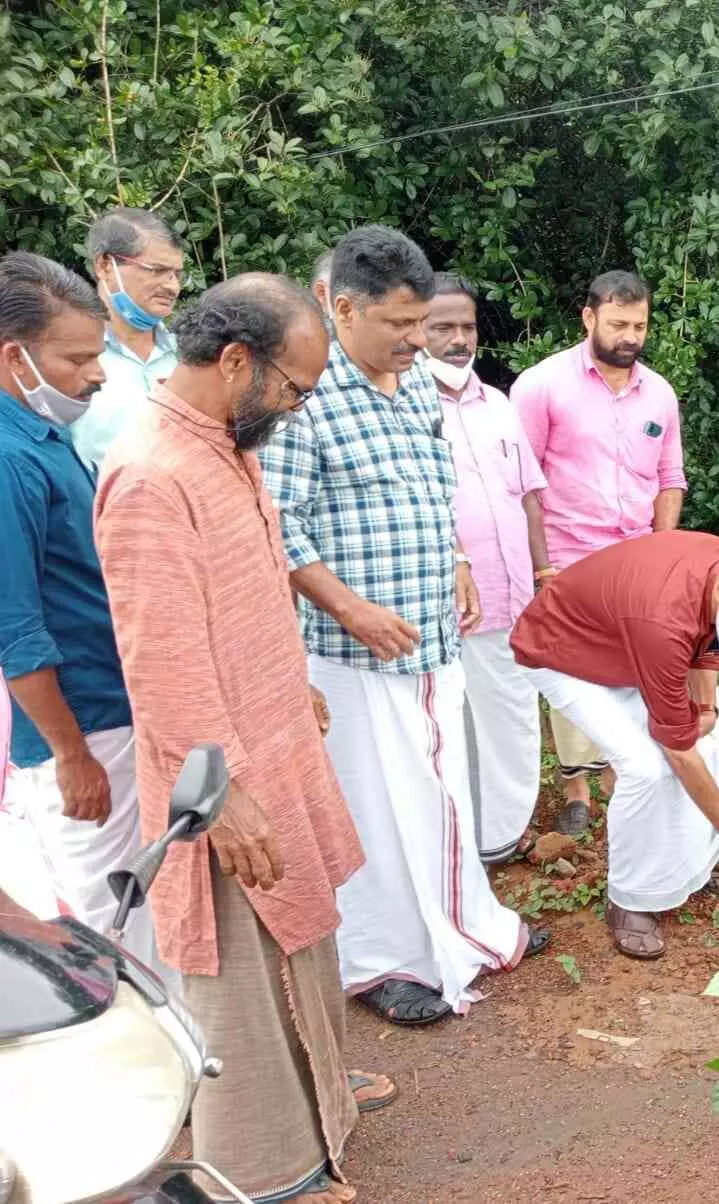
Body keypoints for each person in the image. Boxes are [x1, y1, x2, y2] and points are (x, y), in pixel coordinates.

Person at [96, 272, 397, 1204]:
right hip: (220, 780)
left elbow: (249, 591)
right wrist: (217, 799)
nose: (300, 409)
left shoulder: (229, 443)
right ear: (237, 363)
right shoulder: (152, 474)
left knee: (302, 945)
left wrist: (294, 682)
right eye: (297, 389)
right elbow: (163, 666)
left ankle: (320, 1096)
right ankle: (268, 1173)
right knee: (239, 980)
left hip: (272, 741)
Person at [260, 225, 542, 1028]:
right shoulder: (303, 396)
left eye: (423, 324)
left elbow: (432, 479)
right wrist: (347, 606)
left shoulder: (416, 382)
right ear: (341, 308)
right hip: (351, 653)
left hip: (431, 635)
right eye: (399, 326)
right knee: (373, 807)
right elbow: (278, 523)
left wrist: (454, 558)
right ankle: (381, 961)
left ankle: (470, 928)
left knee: (441, 792)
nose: (418, 341)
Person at [0, 250, 171, 982]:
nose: (96, 374)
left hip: (108, 708)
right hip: (85, 725)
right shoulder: (7, 459)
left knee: (143, 908)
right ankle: (163, 1082)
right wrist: (71, 755)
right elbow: (17, 631)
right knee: (116, 924)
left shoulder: (42, 437)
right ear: (15, 357)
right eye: (76, 359)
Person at [511, 531, 719, 959]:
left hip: (623, 646)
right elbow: (677, 749)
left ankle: (689, 868)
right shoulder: (664, 621)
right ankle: (630, 900)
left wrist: (705, 707)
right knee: (647, 767)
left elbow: (708, 643)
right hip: (562, 654)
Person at [510, 270, 685, 835]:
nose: (630, 335)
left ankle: (621, 774)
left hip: (634, 559)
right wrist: (539, 566)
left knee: (632, 666)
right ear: (588, 318)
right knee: (570, 671)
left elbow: (670, 478)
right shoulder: (541, 387)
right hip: (568, 556)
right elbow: (521, 481)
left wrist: (661, 554)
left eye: (640, 324)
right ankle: (575, 790)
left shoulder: (659, 392)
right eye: (618, 324)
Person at [424, 273, 553, 863]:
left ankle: (502, 835)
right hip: (445, 604)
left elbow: (529, 495)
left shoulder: (497, 405)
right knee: (452, 727)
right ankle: (459, 842)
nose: (458, 339)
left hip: (513, 599)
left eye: (466, 326)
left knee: (512, 718)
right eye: (442, 326)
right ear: (415, 329)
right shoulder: (405, 407)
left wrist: (545, 576)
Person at [70, 207, 184, 466]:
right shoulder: (68, 359)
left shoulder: (188, 354)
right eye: (156, 270)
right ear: (105, 265)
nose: (172, 287)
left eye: (177, 274)